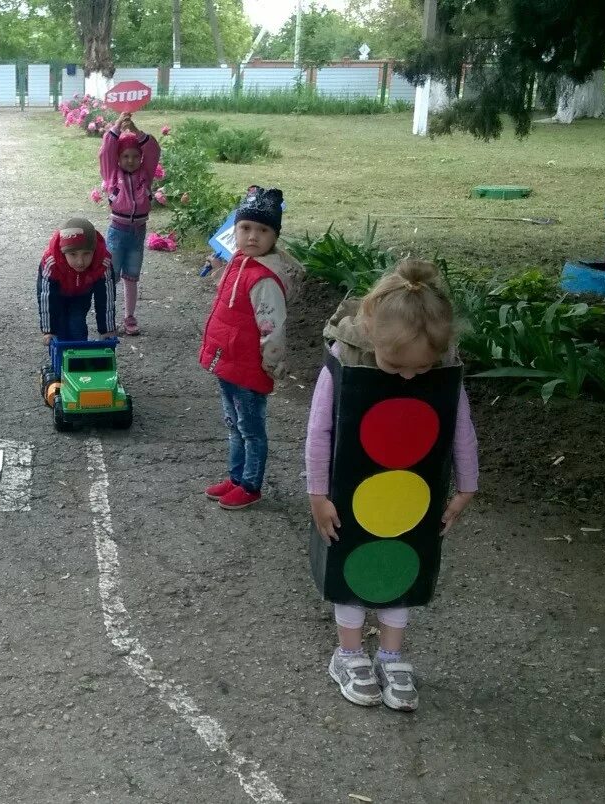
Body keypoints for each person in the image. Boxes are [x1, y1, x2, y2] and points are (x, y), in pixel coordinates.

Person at [306, 258, 480, 712]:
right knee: (351, 566)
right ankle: (347, 654)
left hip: (409, 495)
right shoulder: (345, 361)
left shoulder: (441, 367)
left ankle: (391, 655)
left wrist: (467, 486)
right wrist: (318, 495)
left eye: (421, 369)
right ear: (370, 331)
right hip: (353, 491)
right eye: (396, 365)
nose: (408, 377)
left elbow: (460, 426)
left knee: (399, 566)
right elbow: (319, 432)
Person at [199, 187, 302, 511]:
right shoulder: (238, 262)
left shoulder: (265, 279)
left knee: (250, 428)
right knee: (234, 424)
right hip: (228, 360)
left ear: (274, 236)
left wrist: (271, 364)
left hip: (248, 367)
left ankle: (251, 484)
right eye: (245, 228)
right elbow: (227, 299)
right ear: (235, 230)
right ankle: (235, 476)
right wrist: (218, 265)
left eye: (263, 230)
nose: (253, 236)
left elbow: (273, 329)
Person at [99, 112, 161, 336]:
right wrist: (117, 126)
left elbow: (153, 149)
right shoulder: (111, 174)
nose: (131, 160)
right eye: (125, 156)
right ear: (118, 158)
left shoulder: (146, 173)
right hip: (117, 231)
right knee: (110, 276)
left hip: (138, 233)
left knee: (131, 276)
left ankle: (130, 317)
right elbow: (106, 150)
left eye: (135, 156)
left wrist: (135, 131)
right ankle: (107, 317)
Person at [37, 218, 117, 346]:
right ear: (63, 253)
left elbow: (106, 298)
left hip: (81, 295)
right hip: (57, 295)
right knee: (60, 326)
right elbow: (46, 297)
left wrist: (107, 330)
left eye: (86, 254)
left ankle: (80, 359)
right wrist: (48, 330)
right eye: (73, 254)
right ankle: (60, 362)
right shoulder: (51, 263)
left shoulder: (103, 263)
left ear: (94, 250)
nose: (80, 262)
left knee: (77, 322)